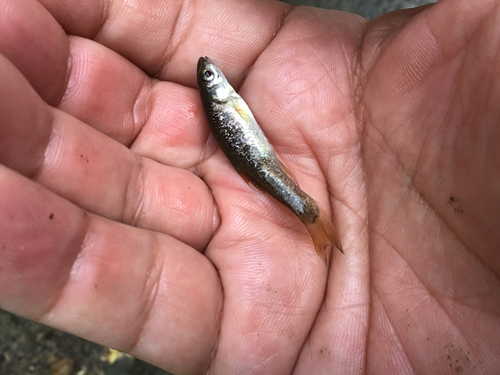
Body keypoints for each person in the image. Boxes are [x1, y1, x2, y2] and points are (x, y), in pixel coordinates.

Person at [1, 0, 498, 373]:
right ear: (223, 94)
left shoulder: (223, 105)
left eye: (211, 77)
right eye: (212, 78)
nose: (214, 78)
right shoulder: (223, 100)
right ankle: (309, 217)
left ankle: (310, 218)